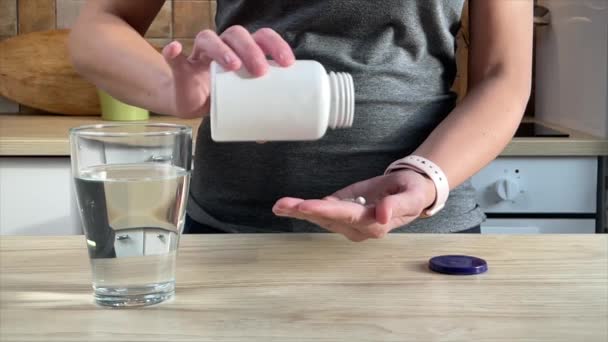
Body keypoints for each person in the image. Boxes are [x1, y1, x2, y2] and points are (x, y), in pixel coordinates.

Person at [68, 1, 533, 241]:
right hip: (231, 232)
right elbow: (98, 25)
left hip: (416, 239)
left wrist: (426, 176)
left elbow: (504, 75)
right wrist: (172, 88)